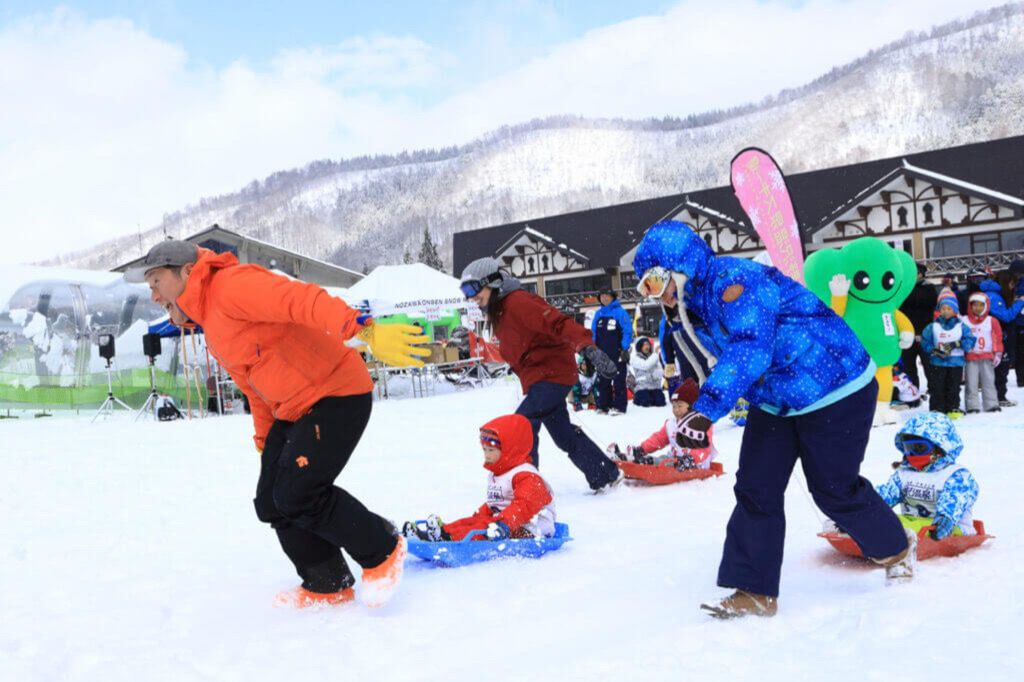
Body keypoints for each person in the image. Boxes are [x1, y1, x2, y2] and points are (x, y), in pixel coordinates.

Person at [632, 220, 914, 620]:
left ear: (680, 268)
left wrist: (709, 408)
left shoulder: (737, 280)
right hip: (776, 398)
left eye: (656, 283)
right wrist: (695, 408)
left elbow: (751, 347)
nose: (654, 295)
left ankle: (896, 546)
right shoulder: (688, 308)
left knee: (834, 490)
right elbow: (707, 360)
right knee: (755, 487)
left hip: (834, 384)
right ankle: (754, 591)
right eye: (645, 288)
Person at [126, 239, 429, 609]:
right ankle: (327, 581)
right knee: (270, 500)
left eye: (156, 282)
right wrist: (264, 440)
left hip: (335, 392)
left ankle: (383, 550)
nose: (154, 295)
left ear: (187, 272)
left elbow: (302, 300)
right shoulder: (210, 320)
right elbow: (253, 384)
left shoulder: (232, 286)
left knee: (299, 494)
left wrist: (361, 328)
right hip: (292, 408)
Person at [459, 258, 622, 492]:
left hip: (551, 374)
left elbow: (558, 323)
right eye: (465, 292)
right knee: (563, 435)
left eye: (473, 289)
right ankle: (605, 473)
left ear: (492, 282)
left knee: (522, 425)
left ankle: (526, 487)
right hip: (542, 378)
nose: (470, 297)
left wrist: (587, 347)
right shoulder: (499, 311)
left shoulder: (518, 303)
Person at [402, 414, 556, 542]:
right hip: (505, 522)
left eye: (491, 450)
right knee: (472, 522)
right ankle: (434, 534)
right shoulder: (500, 472)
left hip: (529, 528)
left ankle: (447, 538)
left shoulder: (527, 475)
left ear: (511, 450)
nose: (486, 455)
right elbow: (495, 502)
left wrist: (504, 524)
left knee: (481, 527)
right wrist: (479, 516)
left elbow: (524, 506)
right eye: (484, 449)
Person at [874, 413, 979, 539]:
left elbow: (955, 499)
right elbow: (886, 495)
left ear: (939, 447)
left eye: (919, 447)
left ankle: (888, 538)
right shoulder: (904, 473)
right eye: (908, 448)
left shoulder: (956, 475)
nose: (912, 453)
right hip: (911, 525)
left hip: (949, 528)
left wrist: (945, 519)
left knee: (903, 527)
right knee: (886, 520)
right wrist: (865, 509)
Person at [608, 379, 716, 470]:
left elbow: (704, 449)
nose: (676, 410)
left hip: (694, 464)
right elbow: (659, 439)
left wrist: (691, 459)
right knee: (664, 460)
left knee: (665, 463)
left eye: (680, 406)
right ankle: (632, 458)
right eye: (674, 406)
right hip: (674, 460)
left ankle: (645, 463)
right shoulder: (671, 424)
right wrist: (642, 449)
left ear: (691, 406)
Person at [920, 289, 975, 417]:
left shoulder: (961, 326)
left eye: (949, 308)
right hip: (938, 362)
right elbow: (925, 341)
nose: (945, 311)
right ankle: (937, 408)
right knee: (937, 386)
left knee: (954, 386)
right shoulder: (933, 326)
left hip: (956, 363)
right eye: (943, 308)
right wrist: (933, 350)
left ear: (955, 310)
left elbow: (970, 341)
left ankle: (953, 407)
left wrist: (957, 344)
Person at [980, 269, 1024, 407]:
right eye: (1012, 284)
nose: (1013, 287)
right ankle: (998, 397)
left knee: (1001, 368)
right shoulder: (993, 297)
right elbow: (1005, 316)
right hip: (998, 339)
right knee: (1000, 368)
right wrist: (1020, 303)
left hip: (1001, 337)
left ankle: (998, 396)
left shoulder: (995, 295)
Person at [591, 288, 633, 414]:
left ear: (613, 297)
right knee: (603, 381)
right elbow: (593, 333)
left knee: (619, 380)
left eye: (607, 296)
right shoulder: (598, 314)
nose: (604, 299)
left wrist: (624, 348)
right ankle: (603, 405)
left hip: (617, 352)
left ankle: (619, 406)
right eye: (602, 296)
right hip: (602, 354)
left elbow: (627, 331)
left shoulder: (620, 312)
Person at [898, 263, 939, 392]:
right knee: (908, 364)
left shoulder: (929, 287)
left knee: (928, 363)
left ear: (921, 274)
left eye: (916, 272)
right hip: (908, 331)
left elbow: (931, 305)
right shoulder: (904, 288)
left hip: (924, 331)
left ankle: (933, 388)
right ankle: (912, 389)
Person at [961, 292, 1003, 413]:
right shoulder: (964, 320)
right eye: (975, 305)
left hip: (987, 355)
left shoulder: (991, 321)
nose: (977, 308)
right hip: (970, 356)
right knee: (971, 382)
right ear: (970, 306)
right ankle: (972, 405)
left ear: (985, 306)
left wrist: (998, 353)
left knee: (988, 380)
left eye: (981, 305)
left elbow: (997, 337)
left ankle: (991, 403)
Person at [630, 337, 666, 407]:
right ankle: (637, 397)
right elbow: (645, 365)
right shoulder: (636, 358)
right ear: (639, 347)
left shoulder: (653, 357)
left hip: (655, 386)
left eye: (647, 344)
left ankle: (652, 396)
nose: (647, 347)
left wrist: (658, 372)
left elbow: (659, 372)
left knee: (661, 402)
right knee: (646, 402)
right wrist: (655, 353)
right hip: (642, 387)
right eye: (644, 345)